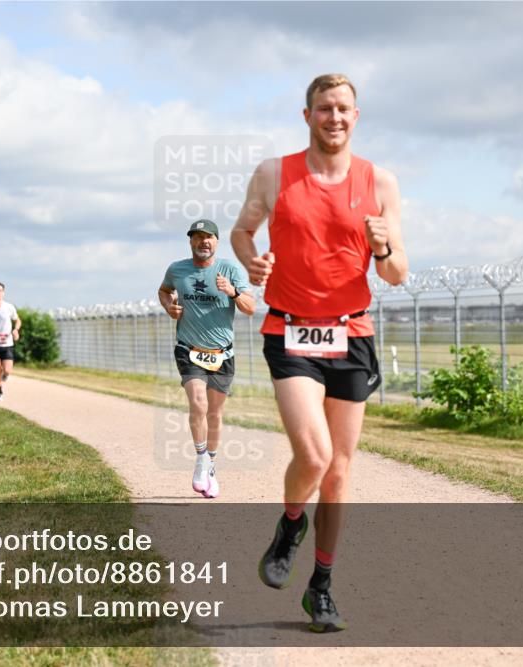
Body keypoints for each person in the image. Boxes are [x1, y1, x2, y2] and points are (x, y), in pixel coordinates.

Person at [232, 74, 408, 632]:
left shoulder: (380, 181)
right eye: (324, 108)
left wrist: (383, 246)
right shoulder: (273, 173)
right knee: (314, 457)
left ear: (357, 116)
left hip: (351, 334)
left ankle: (321, 587)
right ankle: (289, 524)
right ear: (306, 115)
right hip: (290, 331)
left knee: (338, 473)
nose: (335, 117)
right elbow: (242, 232)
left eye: (344, 108)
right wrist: (252, 261)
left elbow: (396, 273)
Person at [158, 219, 255, 499]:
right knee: (198, 404)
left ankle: (210, 462)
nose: (203, 242)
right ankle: (201, 460)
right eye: (197, 237)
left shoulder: (230, 269)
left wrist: (233, 292)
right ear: (190, 241)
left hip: (222, 353)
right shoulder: (177, 269)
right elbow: (164, 291)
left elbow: (250, 307)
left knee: (214, 413)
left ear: (216, 241)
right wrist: (169, 307)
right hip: (188, 348)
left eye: (208, 237)